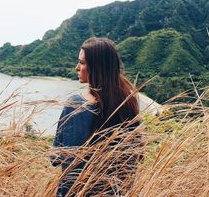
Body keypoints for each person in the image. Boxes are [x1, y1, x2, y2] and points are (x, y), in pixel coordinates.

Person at [51, 37, 142, 196]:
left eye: (82, 63)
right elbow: (135, 157)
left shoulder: (76, 105)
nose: (77, 67)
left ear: (97, 68)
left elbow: (56, 157)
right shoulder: (128, 103)